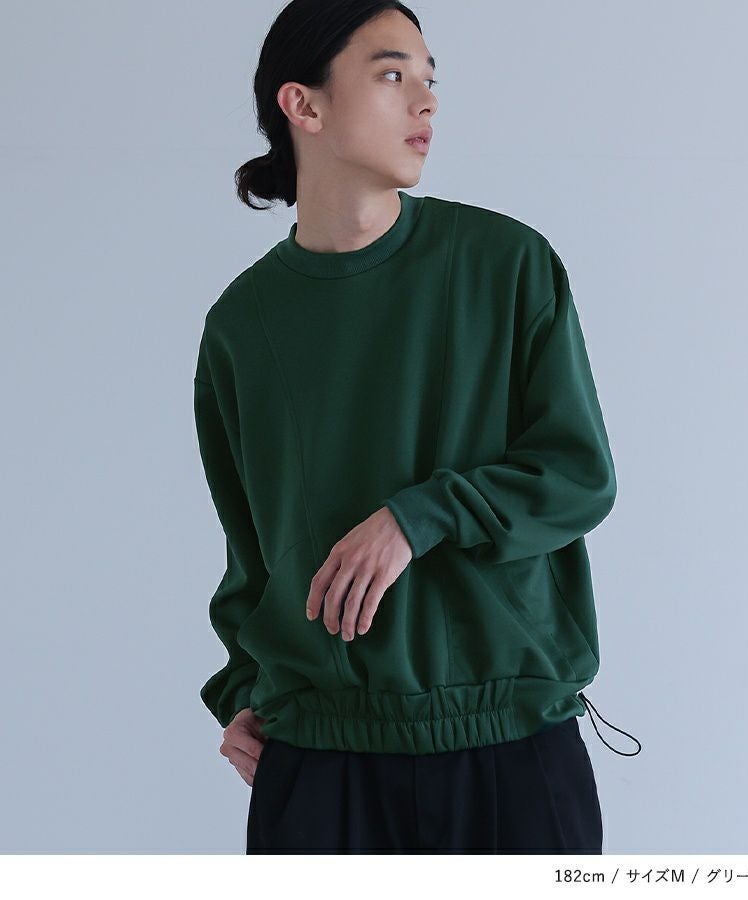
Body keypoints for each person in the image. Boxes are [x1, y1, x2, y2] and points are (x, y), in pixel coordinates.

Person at [193, 0, 640, 854]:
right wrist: (242, 691)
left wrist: (417, 516)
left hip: (510, 748)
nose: (426, 101)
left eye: (430, 79)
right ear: (304, 105)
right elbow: (252, 549)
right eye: (392, 74)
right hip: (320, 760)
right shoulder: (243, 326)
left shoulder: (506, 265)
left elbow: (578, 475)